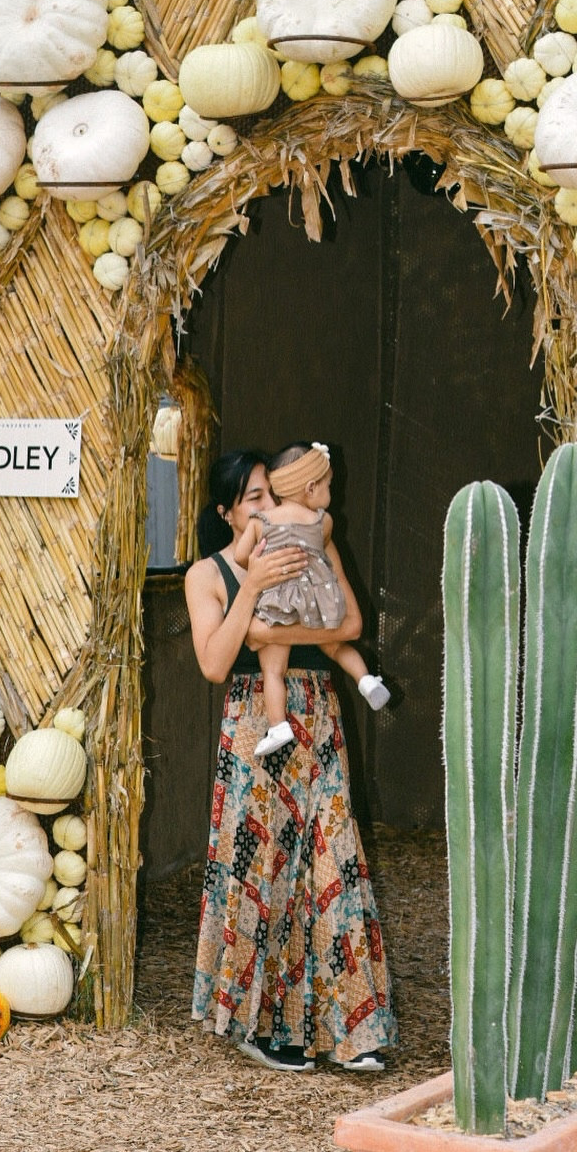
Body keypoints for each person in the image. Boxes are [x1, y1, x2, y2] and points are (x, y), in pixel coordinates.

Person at [185, 449, 398, 1072]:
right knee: (265, 872)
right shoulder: (208, 575)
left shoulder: (305, 538)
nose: (267, 506)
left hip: (318, 714)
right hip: (257, 723)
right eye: (253, 498)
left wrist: (271, 635)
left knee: (333, 860)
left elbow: (351, 621)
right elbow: (215, 663)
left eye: (268, 493)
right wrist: (251, 586)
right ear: (228, 513)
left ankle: (351, 1028)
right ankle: (259, 1024)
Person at [232, 440, 389, 756]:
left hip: (280, 601)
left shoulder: (261, 522)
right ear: (311, 487)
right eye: (329, 485)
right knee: (336, 646)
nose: (331, 492)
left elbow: (239, 555)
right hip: (318, 600)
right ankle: (366, 680)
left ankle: (278, 727)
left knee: (273, 669)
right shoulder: (323, 522)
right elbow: (321, 549)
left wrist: (258, 564)